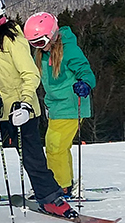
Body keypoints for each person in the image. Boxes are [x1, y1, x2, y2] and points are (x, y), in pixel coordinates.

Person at [0, 0, 78, 221]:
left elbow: (30, 75)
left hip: (22, 111)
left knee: (32, 158)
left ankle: (50, 198)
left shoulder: (13, 39)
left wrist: (23, 104)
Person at [23, 11, 96, 197]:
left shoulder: (69, 50)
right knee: (59, 147)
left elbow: (86, 71)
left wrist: (85, 83)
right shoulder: (42, 53)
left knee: (54, 146)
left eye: (40, 42)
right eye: (33, 43)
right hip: (54, 107)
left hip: (72, 105)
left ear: (52, 36)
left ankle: (60, 186)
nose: (37, 47)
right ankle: (66, 182)